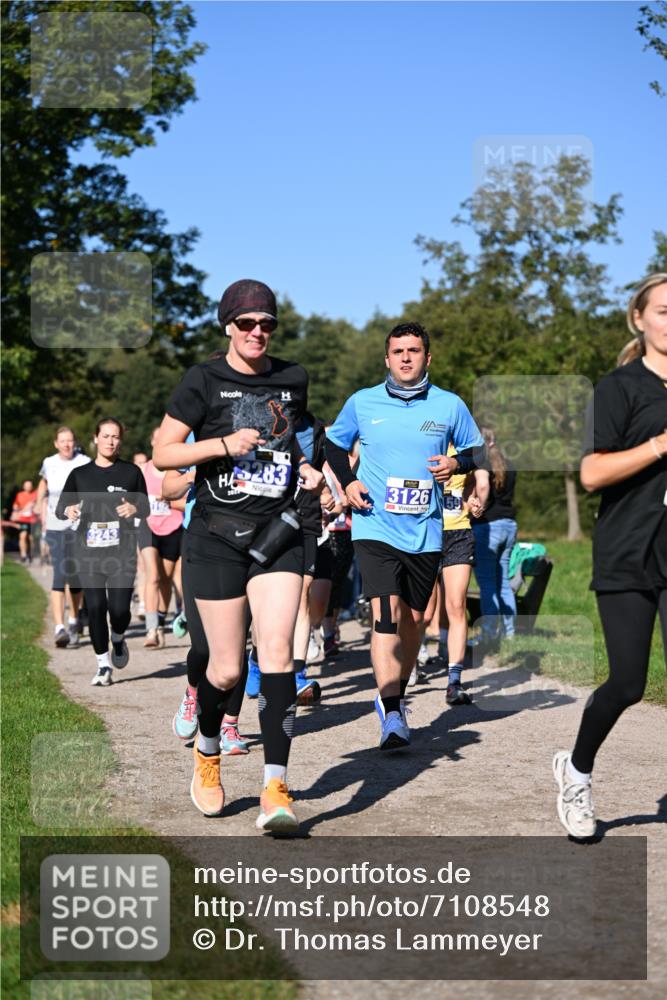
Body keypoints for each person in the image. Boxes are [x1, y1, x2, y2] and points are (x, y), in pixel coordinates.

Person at [153, 279, 322, 831]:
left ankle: (275, 786)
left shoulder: (291, 378)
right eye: (247, 323)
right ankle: (207, 751)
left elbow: (291, 437)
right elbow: (163, 453)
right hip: (215, 535)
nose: (257, 333)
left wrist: (303, 467)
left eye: (266, 324)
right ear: (228, 325)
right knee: (224, 669)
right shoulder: (203, 378)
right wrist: (223, 445)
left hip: (278, 532)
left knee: (276, 655)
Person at [326, 320, 483, 750]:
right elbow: (334, 446)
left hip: (427, 529)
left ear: (427, 358)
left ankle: (394, 691)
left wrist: (458, 465)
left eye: (414, 351)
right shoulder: (363, 402)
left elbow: (478, 450)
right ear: (387, 359)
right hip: (374, 524)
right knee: (386, 612)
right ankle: (392, 710)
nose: (406, 358)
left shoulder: (449, 406)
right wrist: (349, 483)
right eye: (399, 352)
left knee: (414, 618)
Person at [554, 273, 667, 839]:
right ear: (640, 320)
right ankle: (576, 772)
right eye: (665, 311)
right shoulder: (619, 388)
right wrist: (659, 445)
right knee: (626, 682)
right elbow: (592, 472)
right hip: (628, 552)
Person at [57, 418, 149, 685]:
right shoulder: (80, 474)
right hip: (88, 553)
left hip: (121, 554)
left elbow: (145, 507)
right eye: (105, 436)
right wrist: (69, 510)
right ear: (95, 438)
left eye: (116, 437)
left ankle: (118, 638)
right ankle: (102, 665)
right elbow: (61, 507)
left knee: (119, 610)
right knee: (96, 607)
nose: (110, 441)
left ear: (121, 440)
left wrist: (134, 508)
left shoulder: (131, 473)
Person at [437, 445, 489, 703]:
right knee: (420, 612)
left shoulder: (464, 450)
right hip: (423, 534)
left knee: (456, 605)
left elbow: (466, 490)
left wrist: (473, 502)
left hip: (458, 533)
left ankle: (454, 682)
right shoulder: (421, 439)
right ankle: (409, 664)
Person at [36, 427, 91, 647]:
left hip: (78, 526)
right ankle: (59, 627)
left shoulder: (84, 461)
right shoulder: (49, 463)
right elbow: (44, 486)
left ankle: (73, 619)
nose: (67, 444)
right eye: (62, 441)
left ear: (75, 442)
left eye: (70, 440)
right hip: (55, 524)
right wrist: (41, 514)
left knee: (75, 576)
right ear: (56, 443)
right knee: (60, 574)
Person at [470, 428, 517, 648]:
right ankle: (509, 634)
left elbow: (483, 486)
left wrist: (479, 506)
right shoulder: (509, 463)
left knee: (487, 583)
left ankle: (489, 633)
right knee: (503, 582)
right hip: (509, 525)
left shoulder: (482, 463)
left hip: (488, 526)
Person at [139, 428, 184, 648]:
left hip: (173, 528)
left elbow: (189, 503)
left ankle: (159, 623)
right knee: (153, 576)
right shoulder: (142, 470)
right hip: (147, 528)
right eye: (156, 439)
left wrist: (170, 501)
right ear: (152, 442)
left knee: (166, 580)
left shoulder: (177, 472)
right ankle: (150, 629)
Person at [12, 479, 39, 563]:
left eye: (30, 485)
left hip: (33, 520)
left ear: (32, 486)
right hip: (22, 519)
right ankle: (23, 555)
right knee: (22, 536)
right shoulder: (19, 495)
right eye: (27, 485)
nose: (28, 487)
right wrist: (15, 509)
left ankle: (31, 553)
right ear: (24, 486)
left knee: (31, 538)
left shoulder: (35, 494)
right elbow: (15, 505)